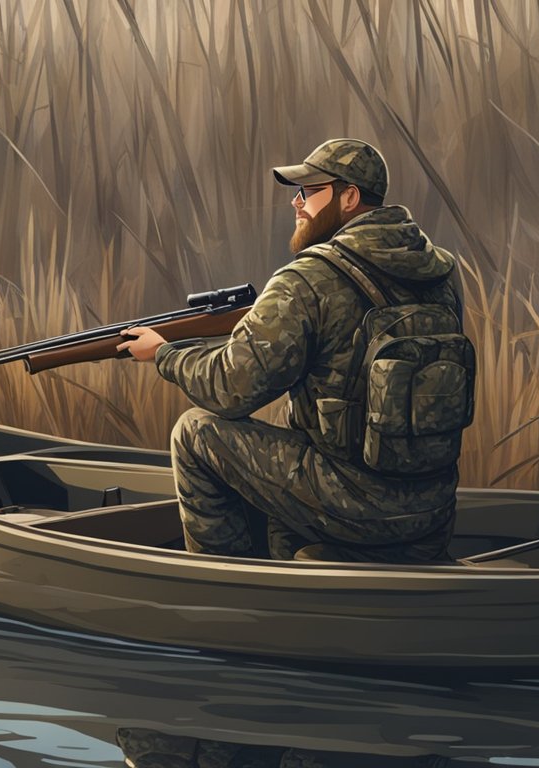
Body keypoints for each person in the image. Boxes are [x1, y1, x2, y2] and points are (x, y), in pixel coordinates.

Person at [116, 138, 469, 562]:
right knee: (295, 428)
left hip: (354, 505)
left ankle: (225, 586)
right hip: (432, 510)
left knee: (195, 432)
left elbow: (231, 390)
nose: (296, 203)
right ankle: (297, 554)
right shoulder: (442, 272)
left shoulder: (308, 278)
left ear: (350, 197)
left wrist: (165, 354)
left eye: (308, 191)